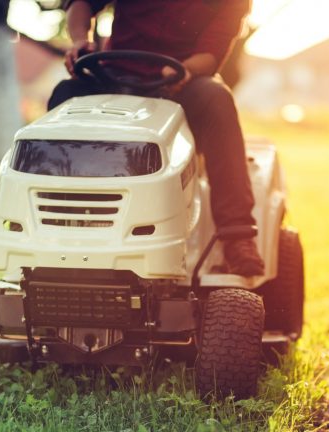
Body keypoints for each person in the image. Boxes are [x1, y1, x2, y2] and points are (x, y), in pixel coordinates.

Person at [48, 0, 265, 277]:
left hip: (180, 80)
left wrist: (186, 70)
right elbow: (80, 4)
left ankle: (238, 237)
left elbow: (212, 54)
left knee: (218, 99)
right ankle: (57, 223)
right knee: (65, 94)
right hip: (115, 76)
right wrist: (80, 40)